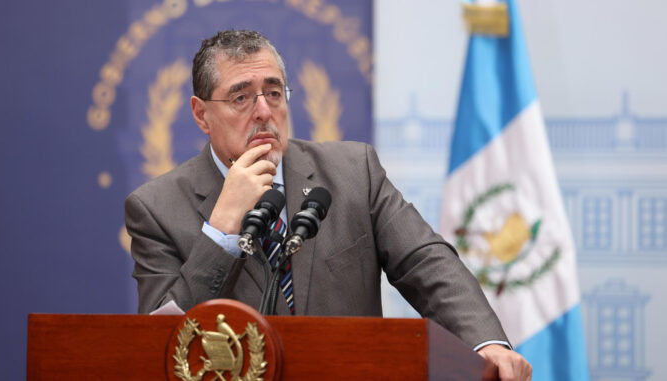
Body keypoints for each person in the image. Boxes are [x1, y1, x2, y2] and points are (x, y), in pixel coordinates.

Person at [125, 29, 531, 379]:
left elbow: (426, 262)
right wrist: (222, 227)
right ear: (201, 114)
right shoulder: (157, 208)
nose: (264, 111)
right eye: (241, 97)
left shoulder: (353, 171)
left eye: (273, 92)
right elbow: (163, 337)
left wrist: (486, 341)